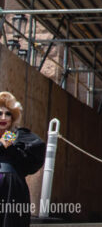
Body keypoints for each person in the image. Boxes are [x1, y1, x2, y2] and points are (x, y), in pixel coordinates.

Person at [0, 91, 45, 227]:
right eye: (0, 113)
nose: (3, 117)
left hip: (10, 188)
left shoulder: (15, 134)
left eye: (8, 114)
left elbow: (34, 151)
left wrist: (7, 144)